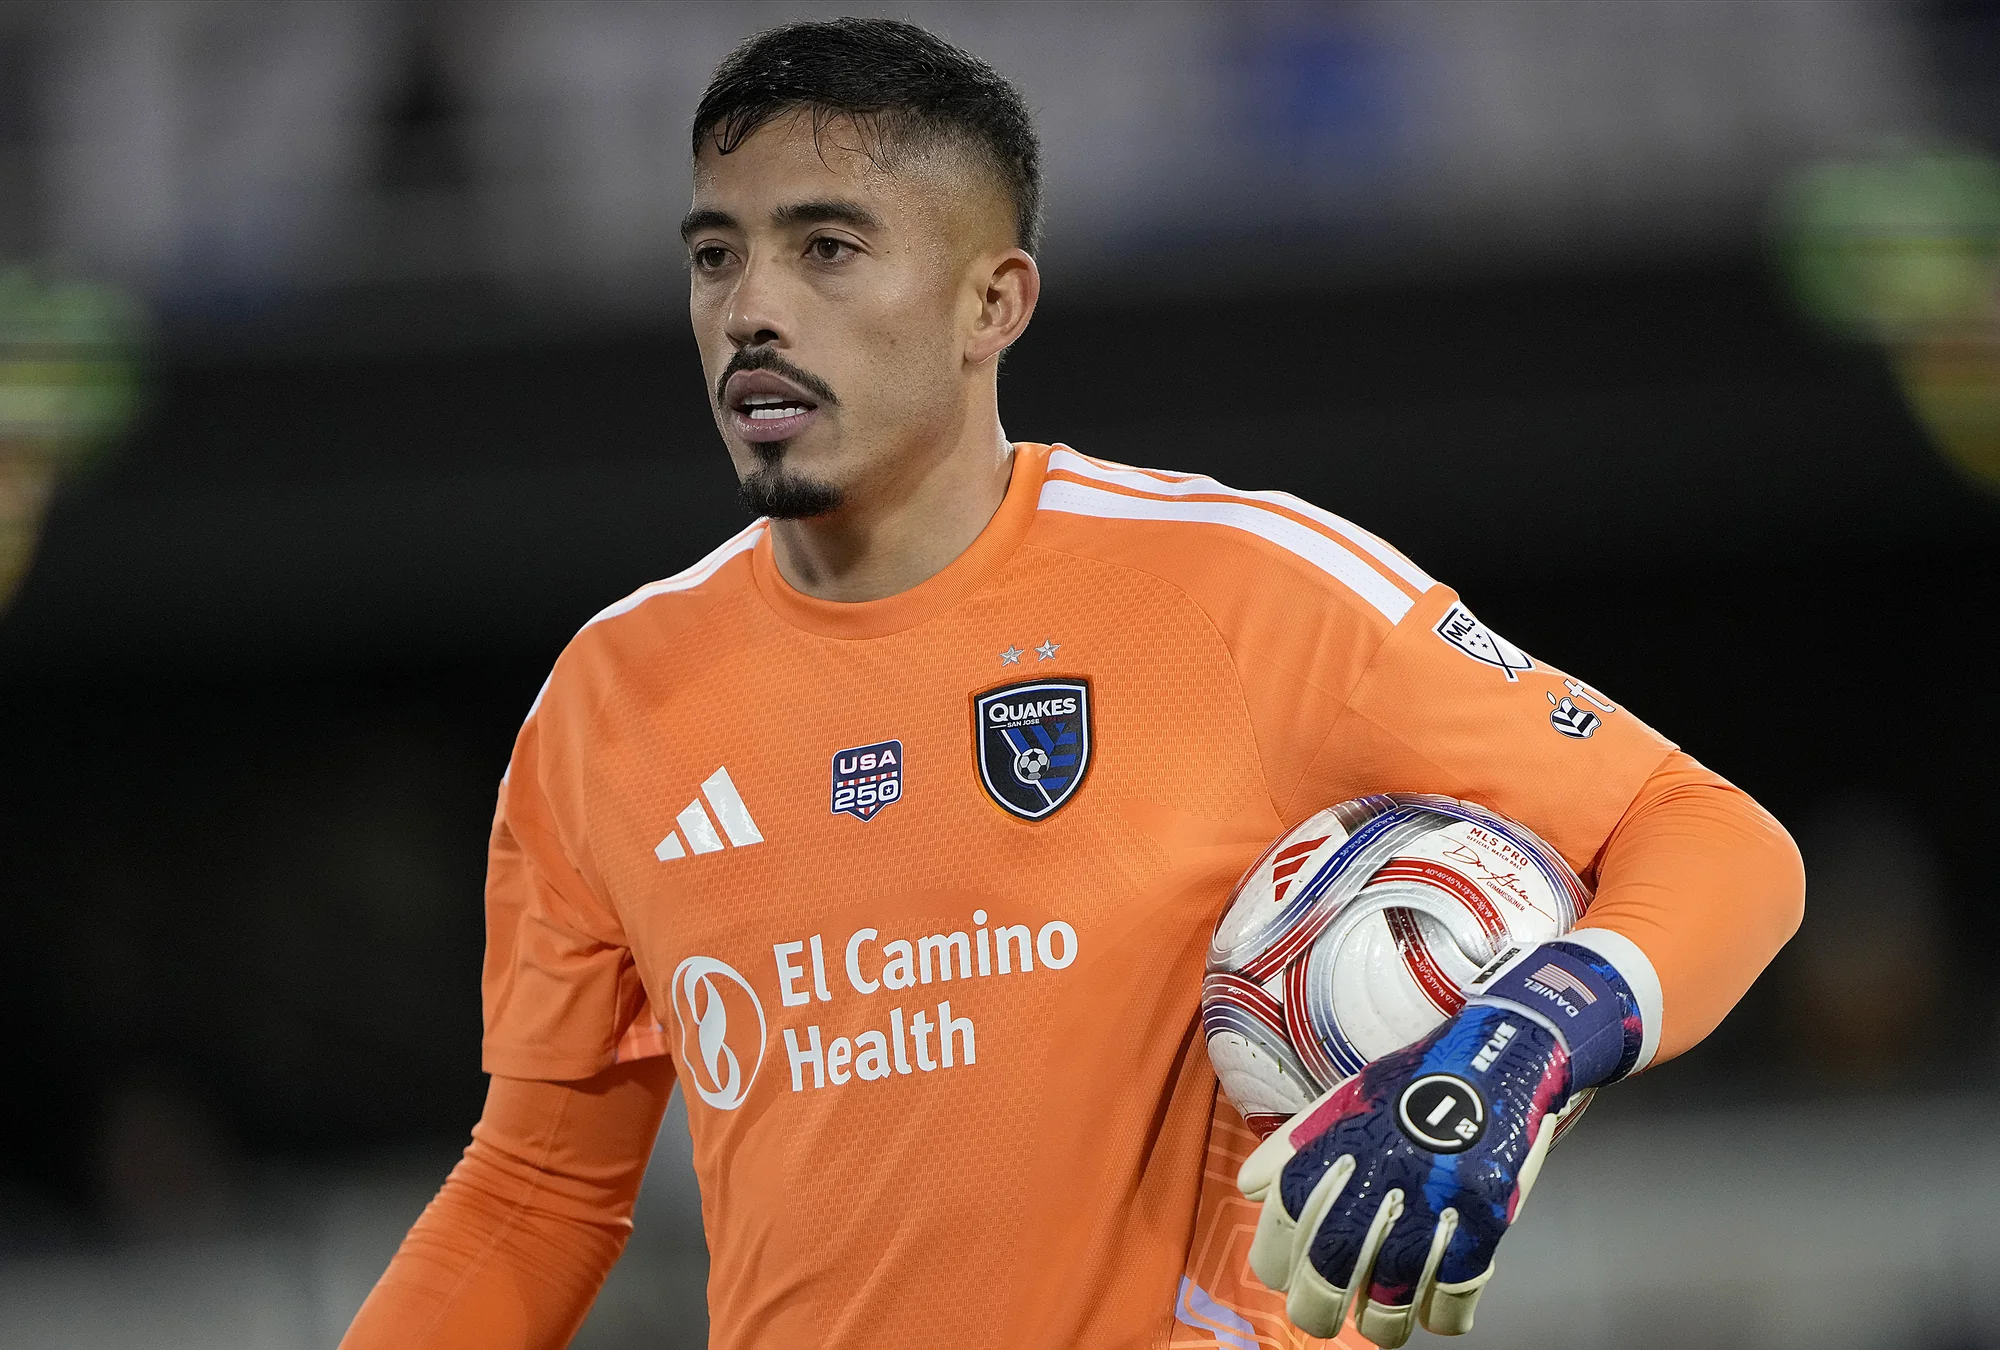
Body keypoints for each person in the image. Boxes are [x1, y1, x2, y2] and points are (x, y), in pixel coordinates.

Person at [342, 18, 1803, 1350]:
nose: (751, 312)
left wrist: (1527, 1035)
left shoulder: (1243, 590)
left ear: (996, 303)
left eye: (827, 248)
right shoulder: (612, 699)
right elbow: (539, 1193)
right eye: (716, 254)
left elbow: (1716, 836)